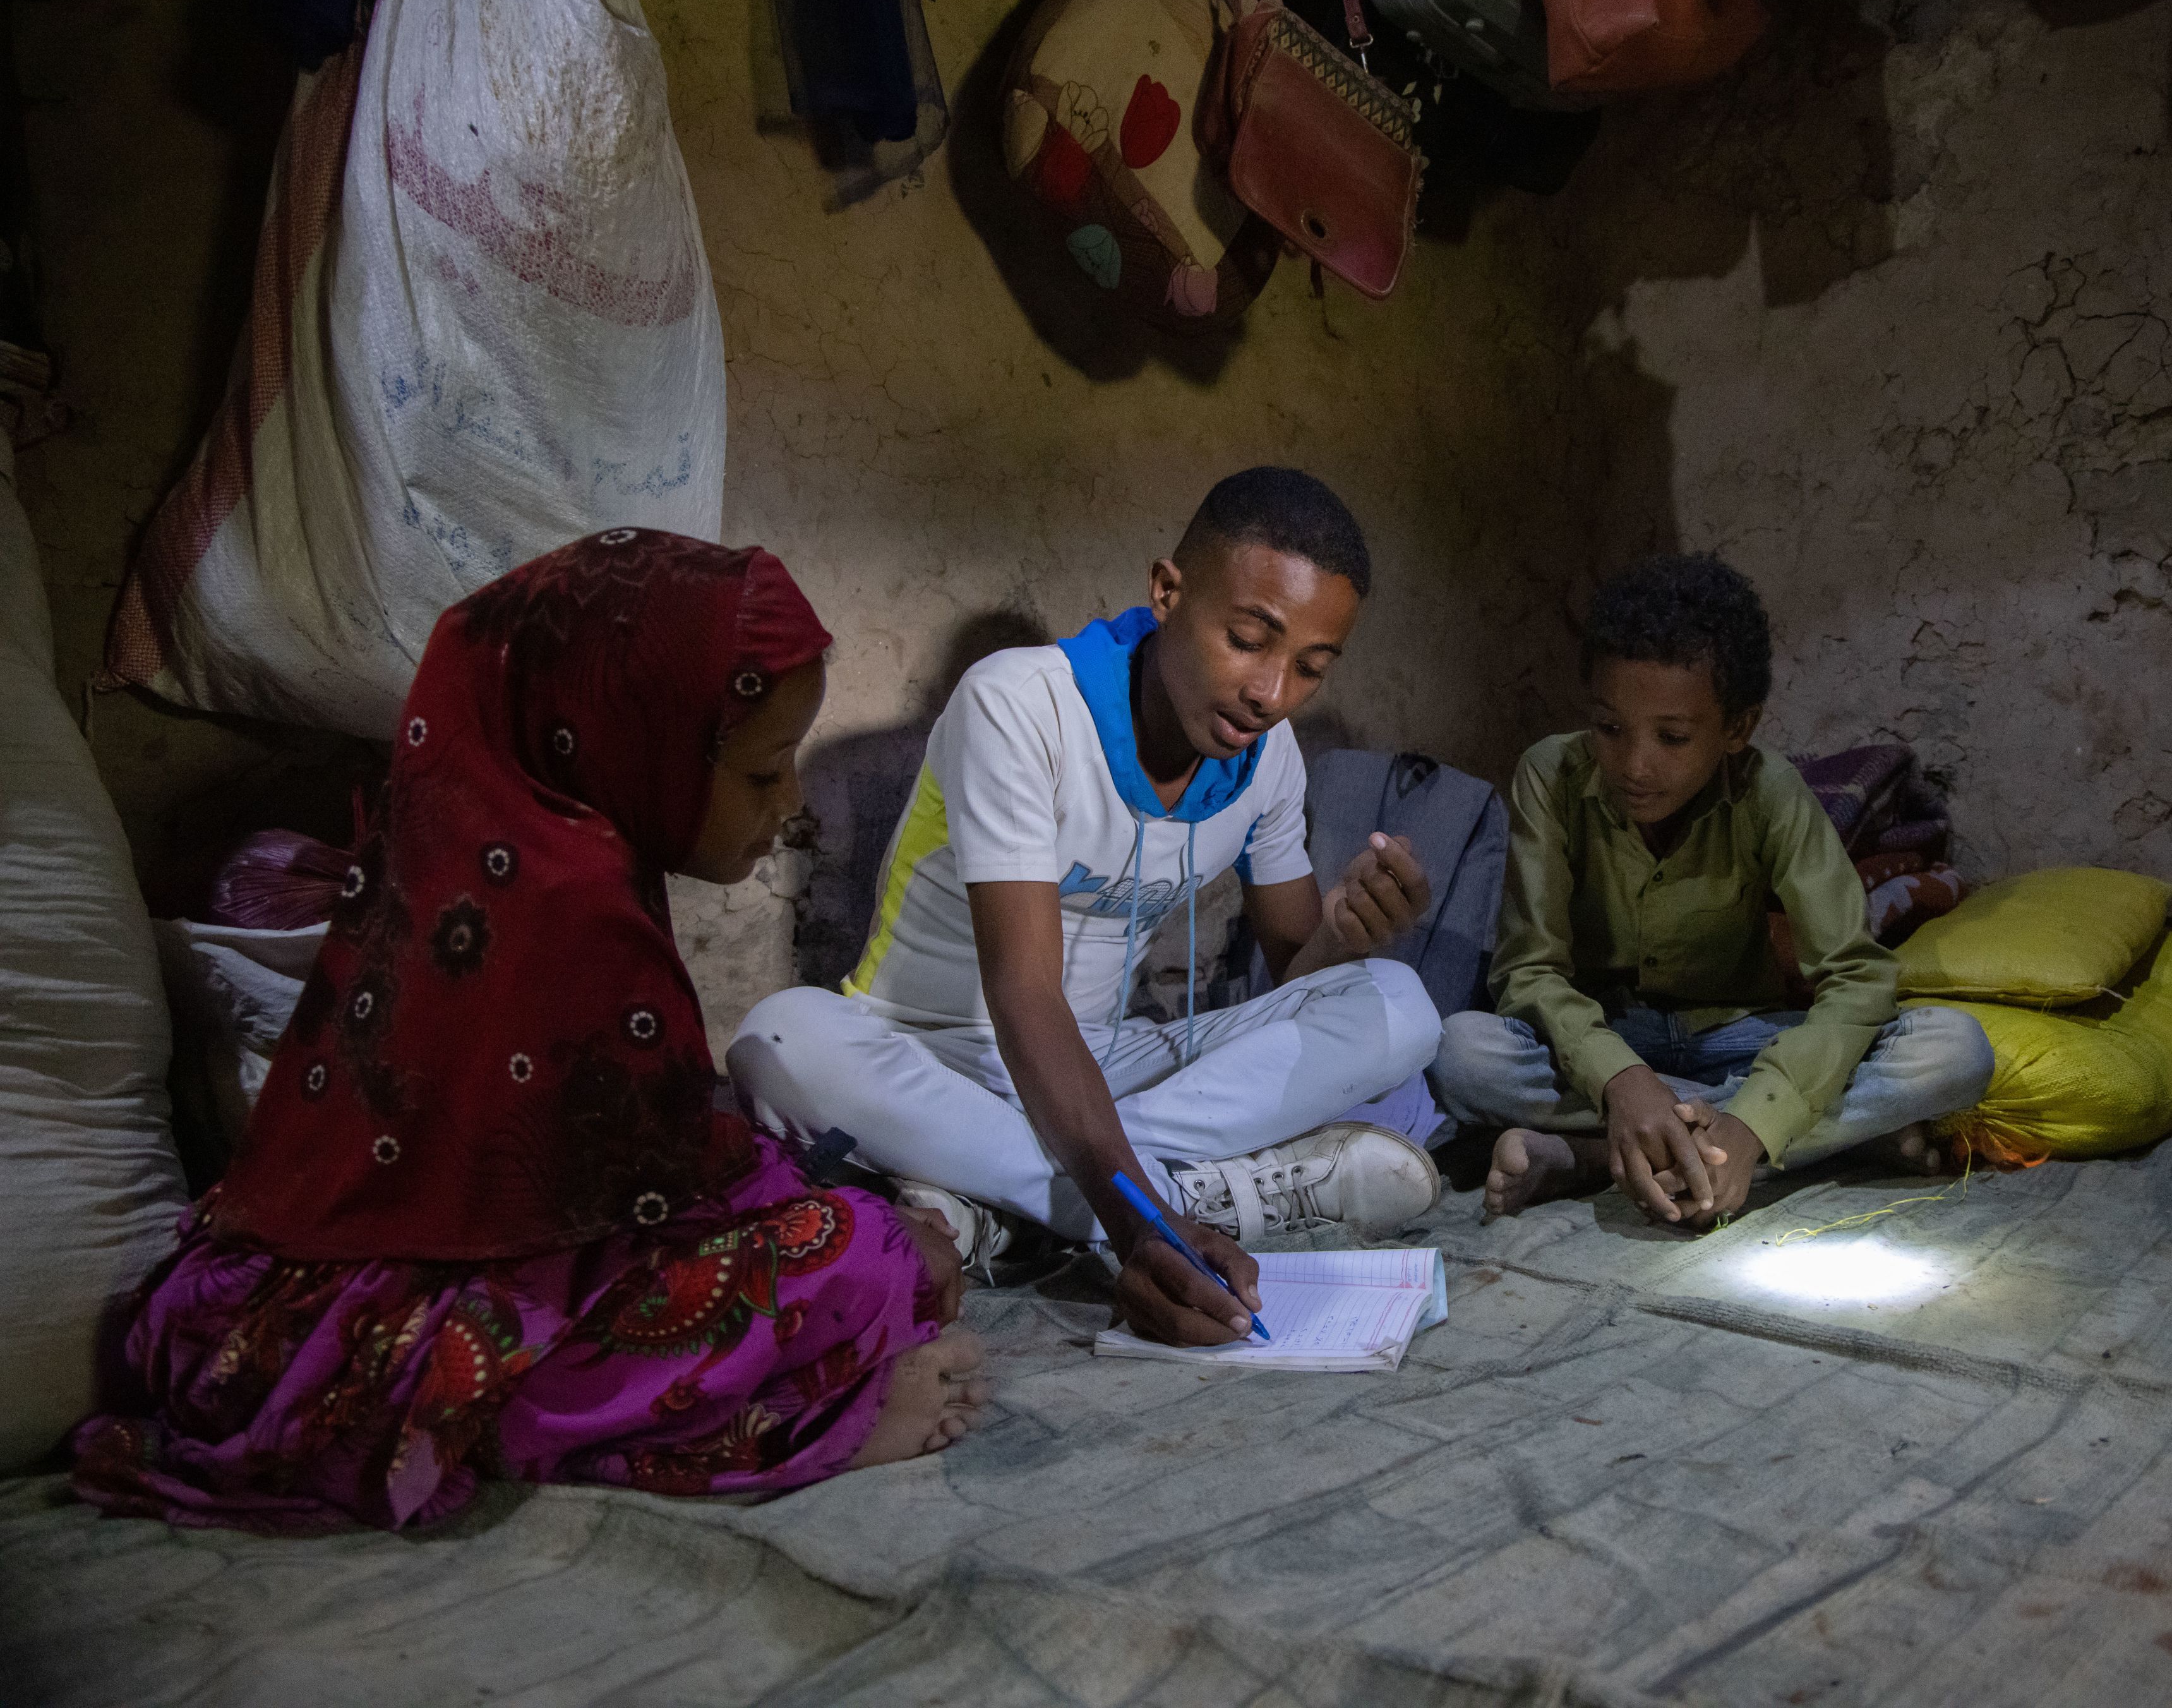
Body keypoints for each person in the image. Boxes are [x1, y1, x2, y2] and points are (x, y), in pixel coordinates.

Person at [72, 530, 988, 1534]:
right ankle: (789, 1426)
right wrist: (874, 1230)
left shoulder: (465, 841)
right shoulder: (576, 906)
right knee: (859, 1255)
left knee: (833, 1218)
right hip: (412, 1338)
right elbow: (668, 1188)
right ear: (634, 742)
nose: (793, 807)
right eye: (767, 774)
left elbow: (621, 1163)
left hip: (249, 1323)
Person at [729, 468, 1446, 1349]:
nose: (1271, 692)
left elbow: (1294, 976)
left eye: (1310, 667)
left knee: (1398, 1008)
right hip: (926, 1055)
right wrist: (1137, 1221)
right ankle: (1192, 1197)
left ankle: (1002, 1201)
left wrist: (1347, 930)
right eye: (1249, 639)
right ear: (1167, 591)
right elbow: (1024, 996)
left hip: (1106, 1069)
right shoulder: (1020, 705)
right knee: (778, 1039)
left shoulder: (1270, 758)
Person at [1429, 554, 1995, 1228]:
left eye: (1671, 736)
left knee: (1955, 1050)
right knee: (1460, 1051)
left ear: (1736, 728)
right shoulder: (1548, 776)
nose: (1635, 765)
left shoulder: (1771, 794)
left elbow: (1856, 978)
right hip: (1608, 1034)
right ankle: (1764, 1139)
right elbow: (1529, 970)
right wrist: (1621, 1080)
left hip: (1743, 1036)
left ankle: (1600, 1153)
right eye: (1609, 728)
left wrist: (1752, 1122)